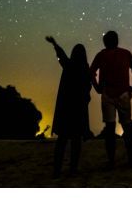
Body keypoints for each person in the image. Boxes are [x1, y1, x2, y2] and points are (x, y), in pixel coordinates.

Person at [89, 30, 132, 168]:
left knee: (110, 128)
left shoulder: (101, 55)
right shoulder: (125, 53)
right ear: (117, 40)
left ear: (105, 42)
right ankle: (131, 158)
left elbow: (91, 72)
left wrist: (97, 87)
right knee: (126, 126)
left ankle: (112, 160)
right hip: (123, 93)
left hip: (108, 94)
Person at [45, 36, 91, 177]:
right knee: (76, 141)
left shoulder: (69, 65)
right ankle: (73, 169)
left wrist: (55, 44)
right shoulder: (85, 69)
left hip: (65, 110)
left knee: (62, 140)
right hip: (78, 110)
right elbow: (87, 91)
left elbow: (61, 55)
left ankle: (57, 170)